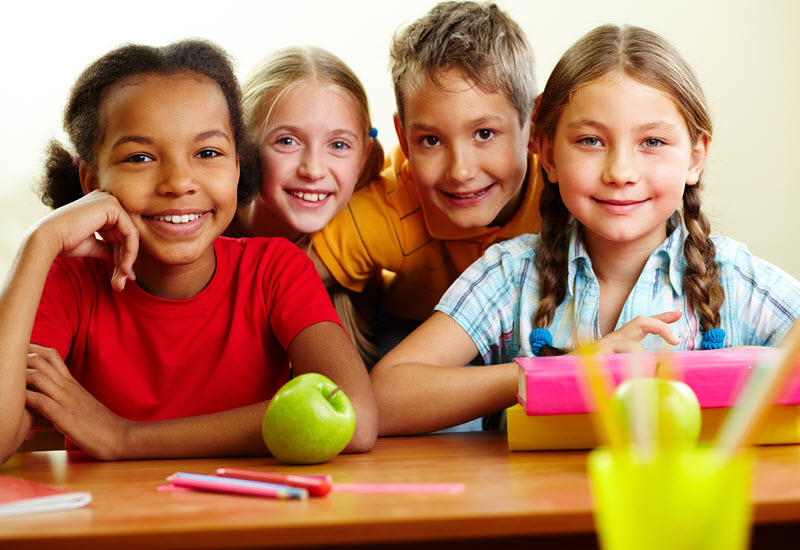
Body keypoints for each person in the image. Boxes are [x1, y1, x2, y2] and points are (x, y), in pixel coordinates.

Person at [370, 24, 800, 436]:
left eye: (652, 142)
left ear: (695, 156)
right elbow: (382, 399)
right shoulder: (511, 276)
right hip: (537, 509)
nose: (620, 172)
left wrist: (750, 369)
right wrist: (564, 371)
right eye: (591, 141)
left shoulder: (735, 280)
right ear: (548, 154)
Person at [0, 40, 377, 466]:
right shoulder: (67, 283)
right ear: (90, 182)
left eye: (208, 153)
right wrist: (39, 243)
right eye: (140, 157)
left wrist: (126, 438)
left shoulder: (274, 269)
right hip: (111, 524)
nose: (179, 182)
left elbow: (355, 416)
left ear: (238, 165)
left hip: (256, 519)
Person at [309, 1, 543, 349]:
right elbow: (283, 283)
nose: (461, 171)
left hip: (523, 330)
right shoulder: (390, 211)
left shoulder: (564, 191)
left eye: (484, 133)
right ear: (403, 138)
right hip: (415, 329)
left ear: (533, 124)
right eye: (430, 140)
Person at [226, 46, 385, 364]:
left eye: (338, 145)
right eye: (287, 141)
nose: (313, 169)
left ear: (363, 157)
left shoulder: (363, 253)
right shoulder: (202, 233)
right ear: (243, 147)